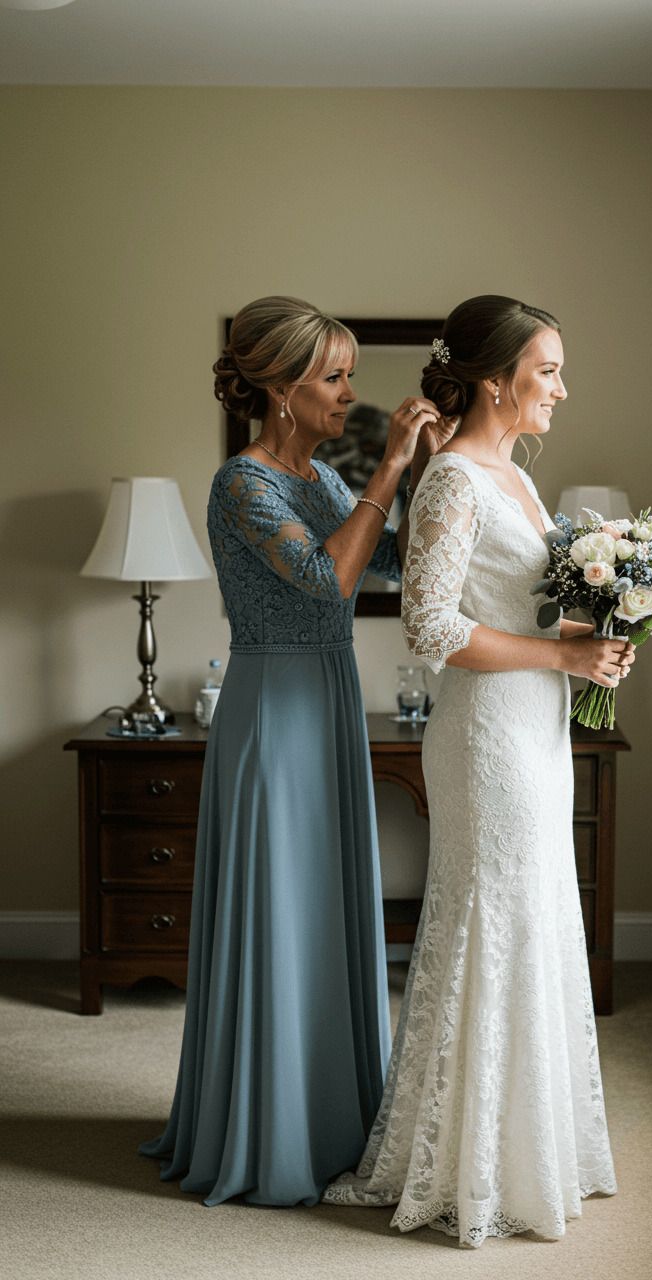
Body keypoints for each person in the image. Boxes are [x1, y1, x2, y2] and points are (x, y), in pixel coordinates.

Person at [323, 295, 633, 1246]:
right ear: (495, 379)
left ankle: (532, 1151)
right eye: (548, 371)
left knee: (538, 914)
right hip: (487, 740)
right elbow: (431, 628)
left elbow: (517, 609)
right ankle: (466, 1163)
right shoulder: (454, 476)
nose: (562, 390)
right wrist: (563, 659)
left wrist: (590, 635)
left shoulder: (517, 477)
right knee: (489, 921)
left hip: (535, 730)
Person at [140, 295, 448, 1207]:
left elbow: (388, 568)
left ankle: (333, 1120)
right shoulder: (246, 483)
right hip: (273, 706)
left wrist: (428, 473)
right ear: (278, 389)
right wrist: (389, 467)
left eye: (350, 374)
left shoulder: (317, 478)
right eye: (333, 376)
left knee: (322, 906)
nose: (349, 392)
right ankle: (262, 1131)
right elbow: (326, 580)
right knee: (278, 907)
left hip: (330, 694)